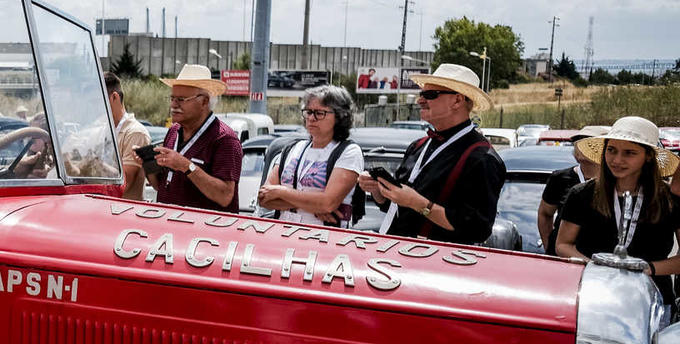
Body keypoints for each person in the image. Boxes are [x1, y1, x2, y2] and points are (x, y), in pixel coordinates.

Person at [359, 62, 503, 244]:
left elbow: (476, 230)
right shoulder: (418, 146)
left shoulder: (482, 158)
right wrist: (379, 190)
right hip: (395, 254)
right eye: (422, 94)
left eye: (430, 95)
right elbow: (396, 207)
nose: (420, 100)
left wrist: (419, 204)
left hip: (438, 265)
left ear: (457, 100)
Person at [557, 117, 680, 303]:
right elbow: (563, 245)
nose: (617, 160)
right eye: (611, 150)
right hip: (593, 297)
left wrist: (648, 268)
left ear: (648, 156)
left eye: (629, 153)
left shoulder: (670, 200)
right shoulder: (582, 194)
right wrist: (596, 268)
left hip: (651, 301)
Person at [257, 84, 363, 225]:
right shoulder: (292, 148)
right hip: (283, 236)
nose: (311, 118)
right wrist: (312, 205)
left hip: (324, 239)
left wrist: (281, 192)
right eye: (308, 112)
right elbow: (264, 198)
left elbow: (327, 203)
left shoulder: (348, 152)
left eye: (320, 113)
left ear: (339, 116)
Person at [153, 64, 240, 212]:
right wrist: (147, 164)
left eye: (181, 99)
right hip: (170, 225)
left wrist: (187, 166)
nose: (173, 105)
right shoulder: (174, 131)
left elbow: (225, 196)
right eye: (172, 98)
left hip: (205, 232)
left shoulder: (224, 139)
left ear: (204, 101)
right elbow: (161, 185)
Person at [537, 124, 609, 254]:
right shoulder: (560, 178)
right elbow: (545, 213)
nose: (582, 147)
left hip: (595, 260)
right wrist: (549, 246)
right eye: (578, 142)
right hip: (562, 258)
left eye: (590, 142)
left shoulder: (613, 183)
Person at [105, 71, 152, 200]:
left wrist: (94, 163)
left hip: (122, 212)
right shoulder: (102, 130)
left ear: (114, 97)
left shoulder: (135, 133)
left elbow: (124, 184)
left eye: (96, 101)